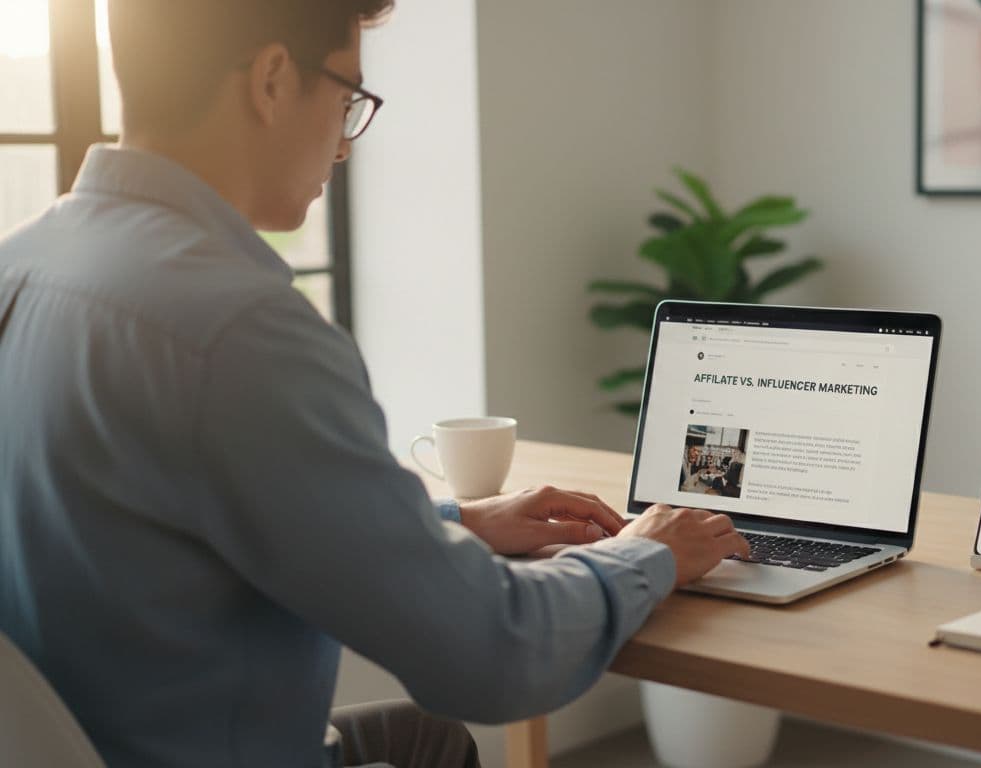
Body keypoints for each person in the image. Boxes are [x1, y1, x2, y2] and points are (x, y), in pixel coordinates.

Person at [0, 2, 749, 767]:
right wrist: (648, 553)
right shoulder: (242, 331)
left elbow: (178, 517)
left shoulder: (19, 265)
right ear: (271, 80)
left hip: (91, 740)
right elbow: (493, 654)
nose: (344, 145)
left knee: (423, 741)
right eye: (347, 96)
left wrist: (453, 523)